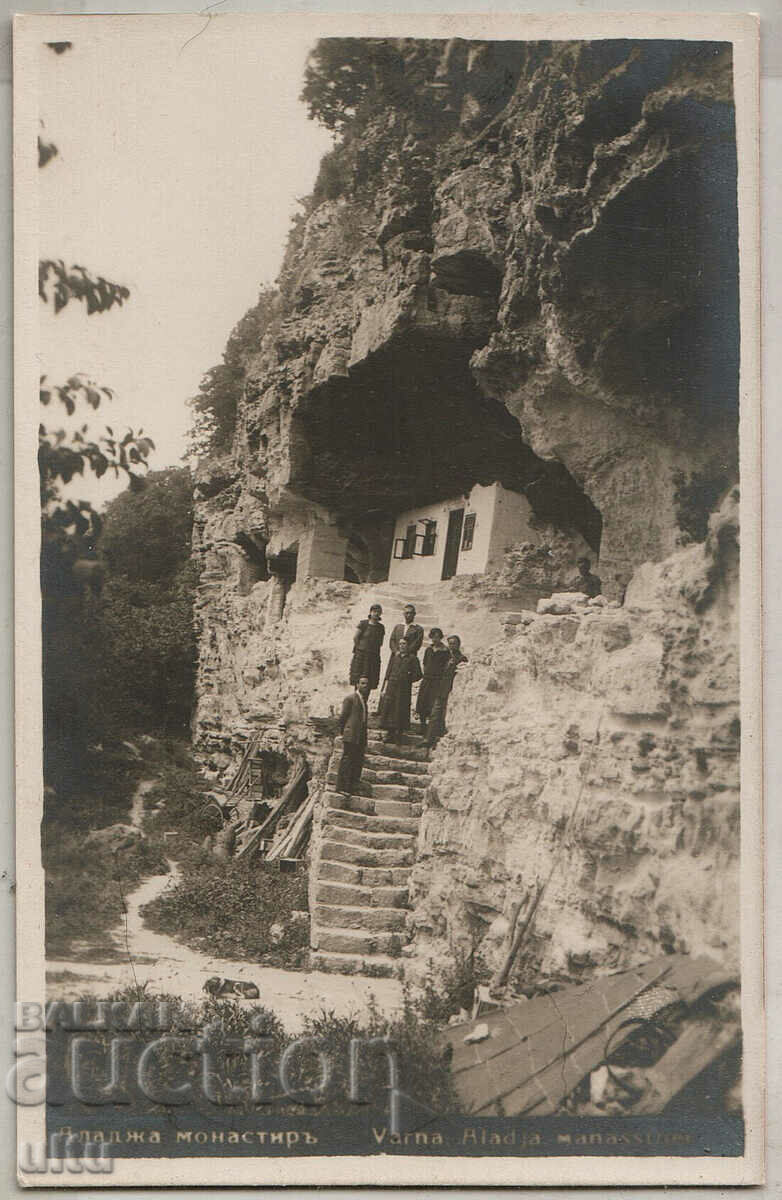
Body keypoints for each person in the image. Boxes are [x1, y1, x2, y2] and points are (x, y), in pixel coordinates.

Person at [425, 635, 468, 748]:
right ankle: (429, 739)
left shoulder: (462, 658)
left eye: (454, 643)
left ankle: (443, 743)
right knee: (434, 714)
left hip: (452, 690)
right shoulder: (444, 656)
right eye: (450, 643)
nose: (451, 646)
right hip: (440, 689)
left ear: (458, 644)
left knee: (447, 716)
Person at [378, 637, 422, 743]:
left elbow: (418, 674)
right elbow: (388, 673)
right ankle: (390, 733)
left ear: (408, 646)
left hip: (403, 688)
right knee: (390, 708)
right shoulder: (395, 657)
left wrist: (407, 678)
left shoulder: (412, 658)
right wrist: (385, 687)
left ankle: (399, 734)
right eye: (400, 644)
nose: (402, 646)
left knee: (400, 709)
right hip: (392, 687)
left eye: (404, 644)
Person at [336, 676, 370, 796]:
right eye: (363, 683)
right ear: (357, 685)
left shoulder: (363, 701)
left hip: (360, 736)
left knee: (357, 760)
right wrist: (343, 732)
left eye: (367, 684)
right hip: (351, 734)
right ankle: (341, 787)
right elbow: (343, 717)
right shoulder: (350, 699)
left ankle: (352, 786)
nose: (365, 686)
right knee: (347, 760)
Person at [415, 628, 450, 731]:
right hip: (427, 679)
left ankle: (431, 727)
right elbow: (425, 663)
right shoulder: (429, 649)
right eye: (433, 637)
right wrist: (426, 674)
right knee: (423, 701)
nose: (435, 639)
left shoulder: (445, 651)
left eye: (437, 637)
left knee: (432, 703)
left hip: (437, 680)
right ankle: (422, 725)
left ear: (440, 637)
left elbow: (445, 666)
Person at [349, 604, 384, 690]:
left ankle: (364, 701)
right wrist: (360, 649)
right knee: (358, 680)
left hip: (373, 657)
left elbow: (380, 643)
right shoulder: (363, 624)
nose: (376, 614)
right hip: (361, 656)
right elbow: (355, 638)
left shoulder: (381, 627)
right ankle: (357, 701)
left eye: (378, 612)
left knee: (370, 680)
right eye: (374, 611)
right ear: (370, 612)